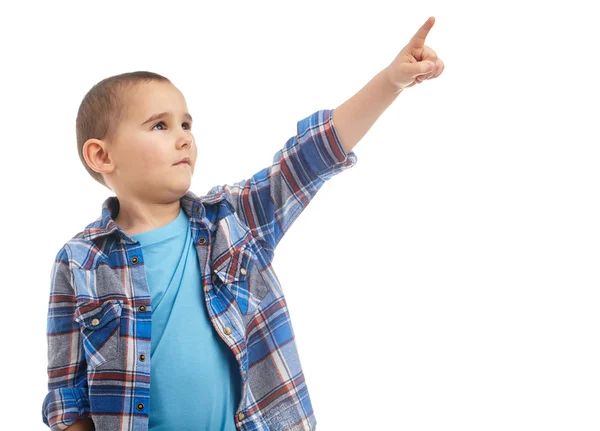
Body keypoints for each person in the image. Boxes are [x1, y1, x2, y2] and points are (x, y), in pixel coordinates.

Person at [42, 16, 444, 431]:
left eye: (186, 124)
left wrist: (390, 82)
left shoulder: (233, 220)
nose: (184, 137)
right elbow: (68, 400)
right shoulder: (78, 263)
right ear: (101, 156)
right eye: (160, 125)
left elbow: (310, 157)